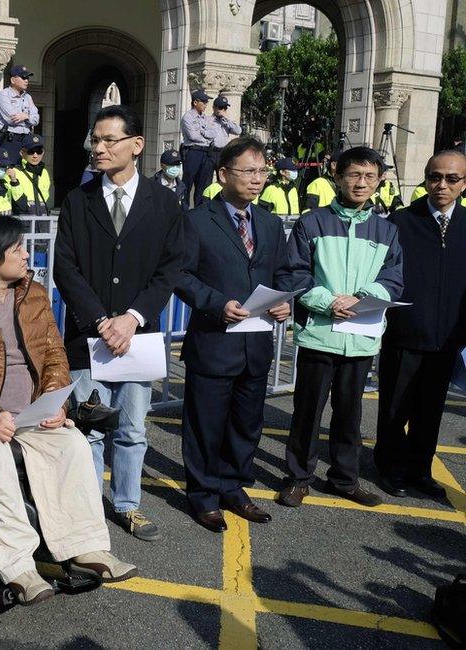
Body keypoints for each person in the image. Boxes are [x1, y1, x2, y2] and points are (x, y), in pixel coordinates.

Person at [0, 214, 138, 604]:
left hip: (33, 410)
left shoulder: (34, 294)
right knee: (0, 462)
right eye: (18, 249)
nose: (27, 254)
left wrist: (55, 398)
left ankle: (85, 546)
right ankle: (19, 566)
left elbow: (54, 352)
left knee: (71, 444)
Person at [54, 104, 185, 542]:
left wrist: (131, 318)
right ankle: (90, 510)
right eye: (96, 139)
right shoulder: (78, 200)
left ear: (136, 145)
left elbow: (170, 269)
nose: (100, 147)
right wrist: (99, 319)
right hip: (87, 337)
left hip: (137, 339)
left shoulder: (165, 203)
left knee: (130, 428)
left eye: (110, 139)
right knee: (88, 427)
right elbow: (65, 268)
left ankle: (128, 505)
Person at [175, 137, 292, 532]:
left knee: (246, 425)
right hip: (214, 341)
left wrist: (284, 302)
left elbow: (283, 274)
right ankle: (204, 495)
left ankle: (234, 488)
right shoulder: (196, 220)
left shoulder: (271, 224)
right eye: (248, 171)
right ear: (224, 175)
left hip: (256, 345)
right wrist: (216, 303)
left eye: (262, 171)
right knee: (205, 426)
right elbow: (180, 276)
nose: (257, 179)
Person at [279, 146, 404, 508]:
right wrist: (328, 301)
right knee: (307, 411)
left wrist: (363, 297)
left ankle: (344, 479)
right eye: (353, 174)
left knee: (350, 414)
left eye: (369, 176)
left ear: (379, 182)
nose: (360, 183)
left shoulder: (386, 230)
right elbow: (295, 272)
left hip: (361, 337)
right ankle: (298, 476)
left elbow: (394, 278)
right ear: (337, 176)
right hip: (321, 332)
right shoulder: (311, 222)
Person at [374, 150, 466, 500]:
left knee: (430, 410)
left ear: (464, 184)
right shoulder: (401, 221)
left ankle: (420, 470)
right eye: (434, 177)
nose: (441, 185)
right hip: (405, 332)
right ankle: (390, 467)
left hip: (448, 340)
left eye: (451, 178)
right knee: (396, 405)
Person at [181, 89, 217, 206]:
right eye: (204, 102)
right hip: (193, 152)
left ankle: (199, 212)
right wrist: (206, 134)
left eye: (207, 102)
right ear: (195, 102)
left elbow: (213, 134)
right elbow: (193, 136)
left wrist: (204, 133)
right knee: (187, 184)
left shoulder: (206, 118)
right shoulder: (188, 117)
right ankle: (184, 212)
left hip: (206, 153)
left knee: (203, 185)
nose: (206, 104)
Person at [0, 64, 39, 156]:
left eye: (27, 78)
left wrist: (26, 117)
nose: (26, 80)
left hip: (26, 139)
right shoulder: (4, 95)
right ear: (13, 80)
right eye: (23, 77)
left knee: (25, 168)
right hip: (10, 139)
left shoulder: (28, 97)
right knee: (9, 168)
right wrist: (29, 119)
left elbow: (36, 119)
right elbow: (12, 119)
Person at [13, 134, 51, 215]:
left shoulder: (44, 172)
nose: (35, 155)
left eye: (39, 151)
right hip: (24, 218)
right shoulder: (14, 172)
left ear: (43, 152)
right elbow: (16, 200)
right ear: (22, 153)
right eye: (31, 151)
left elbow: (45, 197)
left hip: (42, 218)